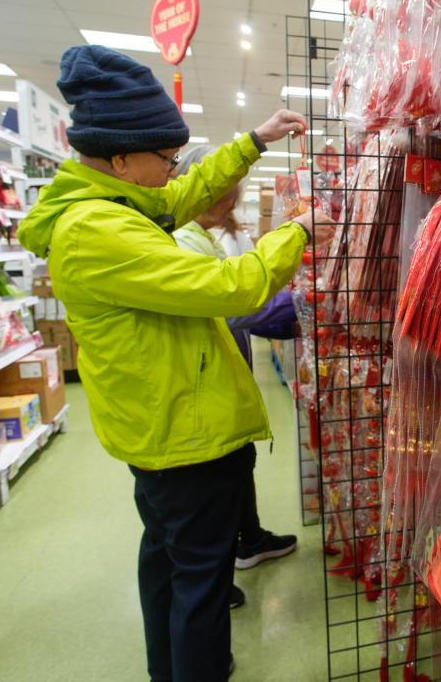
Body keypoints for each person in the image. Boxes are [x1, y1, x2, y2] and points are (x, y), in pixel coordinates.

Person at [17, 45, 326, 682]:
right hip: (184, 433)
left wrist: (253, 143)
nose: (172, 170)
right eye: (165, 157)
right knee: (201, 582)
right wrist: (296, 233)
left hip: (162, 426)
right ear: (121, 159)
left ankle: (170, 668)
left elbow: (182, 194)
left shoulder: (112, 203)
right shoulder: (97, 231)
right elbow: (231, 287)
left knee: (167, 560)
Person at [172, 147, 299, 610]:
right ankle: (213, 579)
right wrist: (300, 307)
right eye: (218, 192)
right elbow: (236, 303)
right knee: (211, 489)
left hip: (224, 377)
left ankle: (249, 539)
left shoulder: (209, 234)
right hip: (201, 387)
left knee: (238, 464)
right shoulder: (183, 242)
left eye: (233, 192)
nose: (228, 200)